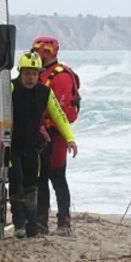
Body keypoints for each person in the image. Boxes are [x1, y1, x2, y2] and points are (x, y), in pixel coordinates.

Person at [10, 51, 77, 238]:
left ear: (39, 74)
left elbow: (59, 116)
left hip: (32, 148)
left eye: (34, 73)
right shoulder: (10, 88)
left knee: (32, 187)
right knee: (16, 183)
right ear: (20, 72)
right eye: (27, 73)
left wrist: (70, 138)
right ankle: (18, 224)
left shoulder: (44, 93)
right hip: (13, 147)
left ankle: (33, 227)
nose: (30, 77)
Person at [33, 36, 80, 236]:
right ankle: (41, 221)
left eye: (45, 52)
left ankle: (64, 223)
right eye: (38, 51)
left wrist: (67, 137)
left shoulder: (61, 76)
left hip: (56, 133)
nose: (41, 55)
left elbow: (60, 111)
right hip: (37, 132)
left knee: (57, 176)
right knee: (40, 178)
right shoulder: (36, 74)